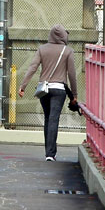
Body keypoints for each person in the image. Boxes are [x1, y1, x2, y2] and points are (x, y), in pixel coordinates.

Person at [18, 25, 78, 161]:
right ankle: (51, 154)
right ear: (63, 36)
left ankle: (48, 152)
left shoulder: (42, 49)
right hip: (59, 90)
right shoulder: (68, 51)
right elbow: (72, 74)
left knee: (47, 118)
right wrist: (74, 94)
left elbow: (32, 67)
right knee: (53, 119)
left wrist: (23, 86)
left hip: (43, 90)